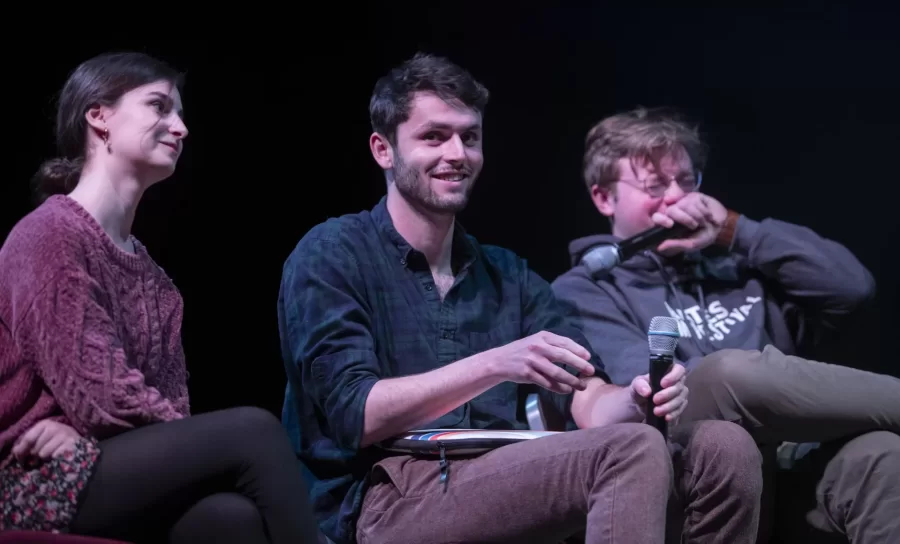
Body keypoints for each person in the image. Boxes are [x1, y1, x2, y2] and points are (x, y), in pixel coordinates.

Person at [278, 53, 763, 544]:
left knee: (723, 446)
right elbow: (355, 414)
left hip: (504, 474)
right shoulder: (333, 253)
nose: (457, 153)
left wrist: (636, 397)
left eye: (469, 137)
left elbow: (588, 399)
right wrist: (496, 363)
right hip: (389, 495)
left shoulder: (509, 274)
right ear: (384, 150)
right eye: (433, 136)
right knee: (629, 451)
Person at [0, 52, 318, 543]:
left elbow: (169, 412)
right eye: (159, 107)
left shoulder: (158, 283)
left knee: (231, 517)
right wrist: (91, 430)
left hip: (95, 461)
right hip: (31, 476)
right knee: (254, 431)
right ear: (99, 116)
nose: (181, 128)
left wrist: (89, 435)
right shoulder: (51, 235)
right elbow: (99, 395)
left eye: (181, 113)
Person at [550, 107, 900, 543]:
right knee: (727, 372)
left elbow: (853, 290)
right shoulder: (583, 289)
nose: (676, 199)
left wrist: (734, 231)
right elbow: (641, 387)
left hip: (786, 466)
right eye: (655, 185)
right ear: (604, 198)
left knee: (884, 455)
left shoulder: (740, 267)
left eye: (687, 180)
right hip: (684, 465)